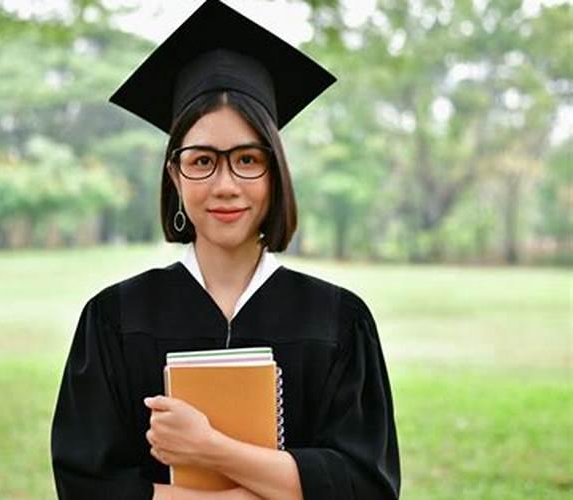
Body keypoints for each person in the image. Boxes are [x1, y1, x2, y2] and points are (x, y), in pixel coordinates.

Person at [50, 1, 400, 499]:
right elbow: (87, 486)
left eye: (247, 159)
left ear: (275, 174)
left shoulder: (338, 320)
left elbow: (366, 485)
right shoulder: (114, 318)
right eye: (202, 161)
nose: (225, 185)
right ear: (174, 175)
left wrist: (210, 448)